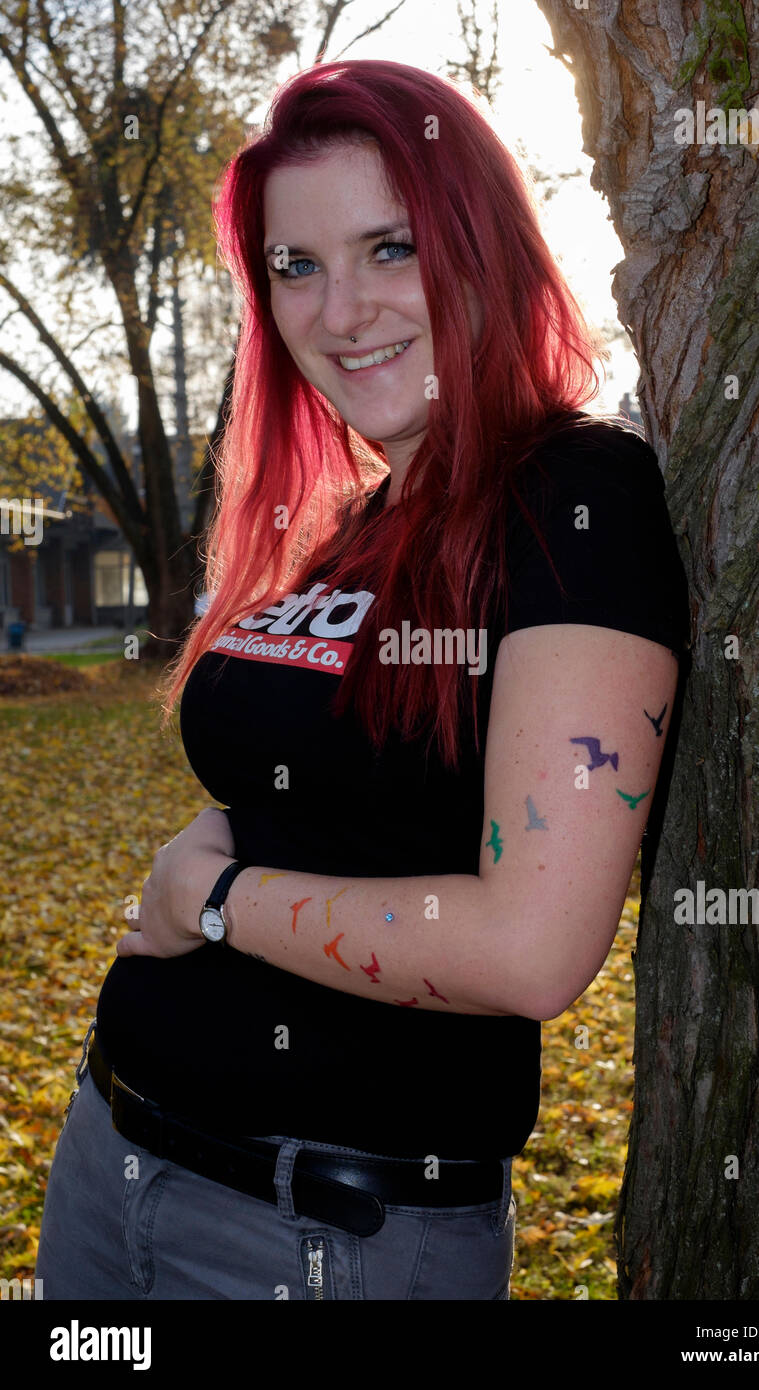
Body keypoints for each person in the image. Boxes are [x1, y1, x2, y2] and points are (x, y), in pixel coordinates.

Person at [35, 57, 690, 1301]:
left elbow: (532, 948)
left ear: (478, 248)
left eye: (389, 249)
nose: (341, 313)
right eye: (298, 267)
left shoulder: (576, 496)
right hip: (114, 1159)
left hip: (320, 1232)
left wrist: (213, 896)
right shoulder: (361, 524)